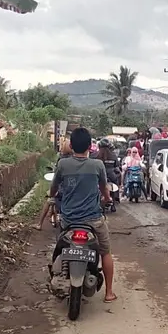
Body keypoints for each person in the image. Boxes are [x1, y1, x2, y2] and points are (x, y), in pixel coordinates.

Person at [50, 127, 117, 303]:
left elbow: (54, 187)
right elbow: (104, 189)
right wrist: (107, 198)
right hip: (93, 221)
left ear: (71, 145)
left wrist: (52, 195)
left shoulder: (63, 164)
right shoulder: (97, 165)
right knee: (106, 252)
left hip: (69, 220)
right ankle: (109, 292)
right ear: (90, 146)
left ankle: (56, 273)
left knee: (59, 248)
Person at [34, 140, 72, 230]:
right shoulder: (76, 161)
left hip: (62, 192)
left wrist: (52, 193)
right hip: (73, 192)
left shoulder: (61, 161)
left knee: (49, 200)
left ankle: (39, 224)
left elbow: (56, 179)